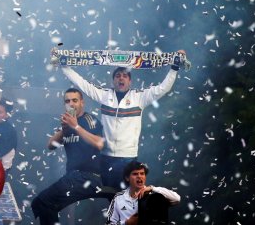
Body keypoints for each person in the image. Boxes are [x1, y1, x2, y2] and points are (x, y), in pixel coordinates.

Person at [60, 51, 186, 187]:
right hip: (105, 157)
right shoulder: (104, 95)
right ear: (113, 80)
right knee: (110, 196)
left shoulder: (139, 97)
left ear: (130, 81)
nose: (121, 78)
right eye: (118, 76)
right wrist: (64, 67)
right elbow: (82, 84)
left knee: (127, 198)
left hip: (128, 158)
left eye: (125, 76)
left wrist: (174, 68)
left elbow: (163, 88)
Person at [30, 88, 114, 225]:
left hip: (88, 177)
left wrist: (76, 127)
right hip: (72, 177)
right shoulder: (67, 122)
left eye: (75, 100)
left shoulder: (89, 119)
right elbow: (50, 145)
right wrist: (64, 130)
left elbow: (100, 144)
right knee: (44, 204)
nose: (71, 104)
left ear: (82, 103)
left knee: (42, 201)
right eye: (67, 101)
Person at [106, 160, 180, 225]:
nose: (139, 176)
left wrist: (152, 188)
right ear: (127, 178)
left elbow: (177, 199)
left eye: (142, 173)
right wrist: (126, 223)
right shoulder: (118, 198)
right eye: (135, 174)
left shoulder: (153, 196)